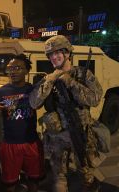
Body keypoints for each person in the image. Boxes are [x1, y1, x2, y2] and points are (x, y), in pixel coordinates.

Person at [29, 35, 103, 192]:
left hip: (80, 132)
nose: (54, 58)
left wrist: (70, 82)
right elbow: (33, 103)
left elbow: (95, 98)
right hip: (57, 136)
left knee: (86, 173)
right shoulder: (48, 79)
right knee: (59, 174)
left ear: (67, 53)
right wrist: (50, 81)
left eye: (57, 53)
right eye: (51, 55)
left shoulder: (83, 74)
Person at [0, 54, 44, 192]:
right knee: (9, 183)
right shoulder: (0, 92)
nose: (12, 71)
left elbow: (40, 105)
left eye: (18, 68)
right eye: (10, 68)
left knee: (34, 180)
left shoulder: (33, 90)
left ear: (26, 71)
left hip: (31, 142)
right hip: (10, 144)